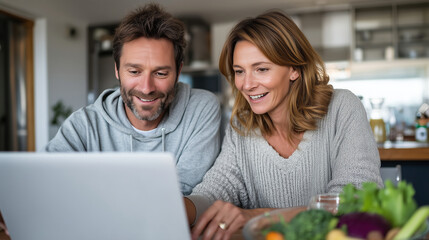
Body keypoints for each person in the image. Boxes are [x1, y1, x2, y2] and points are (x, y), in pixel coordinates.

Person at [184, 10, 383, 240]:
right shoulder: (242, 126)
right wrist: (180, 206)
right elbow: (215, 191)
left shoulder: (342, 108)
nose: (247, 84)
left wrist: (258, 217)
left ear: (294, 69)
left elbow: (354, 201)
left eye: (261, 69)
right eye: (239, 71)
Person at [45, 3, 221, 195]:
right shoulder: (84, 125)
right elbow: (45, 184)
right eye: (134, 71)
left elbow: (184, 196)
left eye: (161, 73)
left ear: (178, 71)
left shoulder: (200, 109)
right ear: (117, 70)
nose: (146, 88)